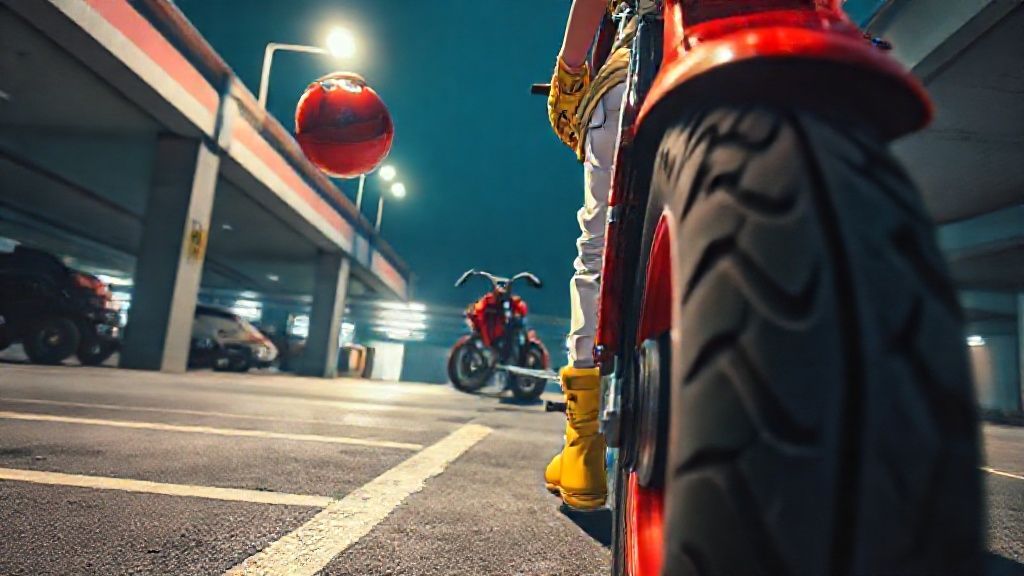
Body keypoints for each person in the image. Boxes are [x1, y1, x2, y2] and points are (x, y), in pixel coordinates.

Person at [543, 0, 633, 511]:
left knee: (598, 250)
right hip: (756, 64)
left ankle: (583, 445)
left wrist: (570, 72)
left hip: (638, 69)